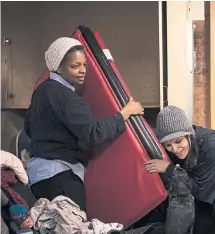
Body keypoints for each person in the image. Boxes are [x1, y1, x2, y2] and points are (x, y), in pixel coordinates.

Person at [25, 37, 144, 211]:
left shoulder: (41, 91)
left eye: (84, 65)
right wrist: (125, 113)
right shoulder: (64, 95)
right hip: (61, 178)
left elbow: (29, 128)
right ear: (58, 67)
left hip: (39, 177)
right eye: (75, 66)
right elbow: (92, 134)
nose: (82, 71)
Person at [143, 106, 215, 234]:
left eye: (178, 141)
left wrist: (169, 169)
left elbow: (201, 190)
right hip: (206, 200)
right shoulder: (177, 150)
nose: (174, 149)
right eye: (168, 145)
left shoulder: (213, 145)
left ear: (188, 134)